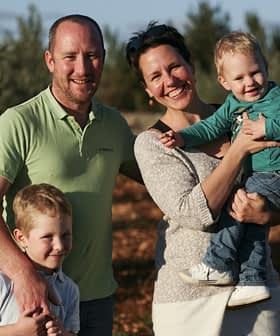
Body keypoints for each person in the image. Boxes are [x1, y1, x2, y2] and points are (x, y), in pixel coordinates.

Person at [126, 22, 280, 336]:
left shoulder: (244, 114)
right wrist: (239, 149)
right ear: (147, 90)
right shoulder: (153, 143)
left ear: (191, 66)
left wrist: (271, 214)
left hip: (256, 290)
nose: (169, 80)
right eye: (156, 76)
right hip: (188, 303)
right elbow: (194, 212)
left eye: (174, 67)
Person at [0, 14, 141, 336]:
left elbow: (160, 175)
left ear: (103, 59)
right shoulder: (19, 122)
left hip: (96, 298)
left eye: (92, 56)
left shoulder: (114, 125)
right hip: (33, 298)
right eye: (70, 57)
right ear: (50, 60)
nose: (83, 68)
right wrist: (24, 276)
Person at [159, 31, 280, 307]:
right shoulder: (233, 105)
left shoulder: (275, 98)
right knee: (251, 227)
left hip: (273, 173)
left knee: (235, 212)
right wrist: (183, 137)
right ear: (224, 82)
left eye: (255, 72)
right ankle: (252, 281)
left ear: (266, 68)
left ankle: (219, 263)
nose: (250, 82)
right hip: (256, 176)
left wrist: (267, 127)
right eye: (239, 78)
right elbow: (211, 127)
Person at [0, 183, 79, 335]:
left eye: (65, 235)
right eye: (47, 237)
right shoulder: (3, 282)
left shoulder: (70, 290)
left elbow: (72, 333)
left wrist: (62, 333)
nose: (59, 246)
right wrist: (17, 331)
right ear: (21, 238)